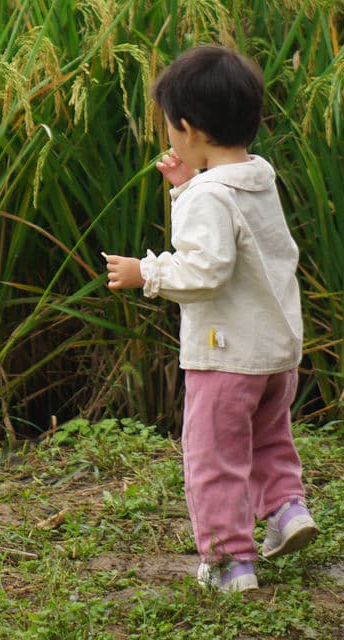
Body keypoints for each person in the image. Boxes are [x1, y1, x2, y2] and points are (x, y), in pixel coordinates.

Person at [102, 44, 317, 592]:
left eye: (169, 127)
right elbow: (236, 233)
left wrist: (144, 273)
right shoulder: (256, 177)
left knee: (213, 457)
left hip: (226, 358)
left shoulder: (207, 198)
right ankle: (288, 509)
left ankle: (229, 562)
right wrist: (186, 185)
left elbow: (207, 269)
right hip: (274, 354)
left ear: (187, 127)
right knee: (269, 438)